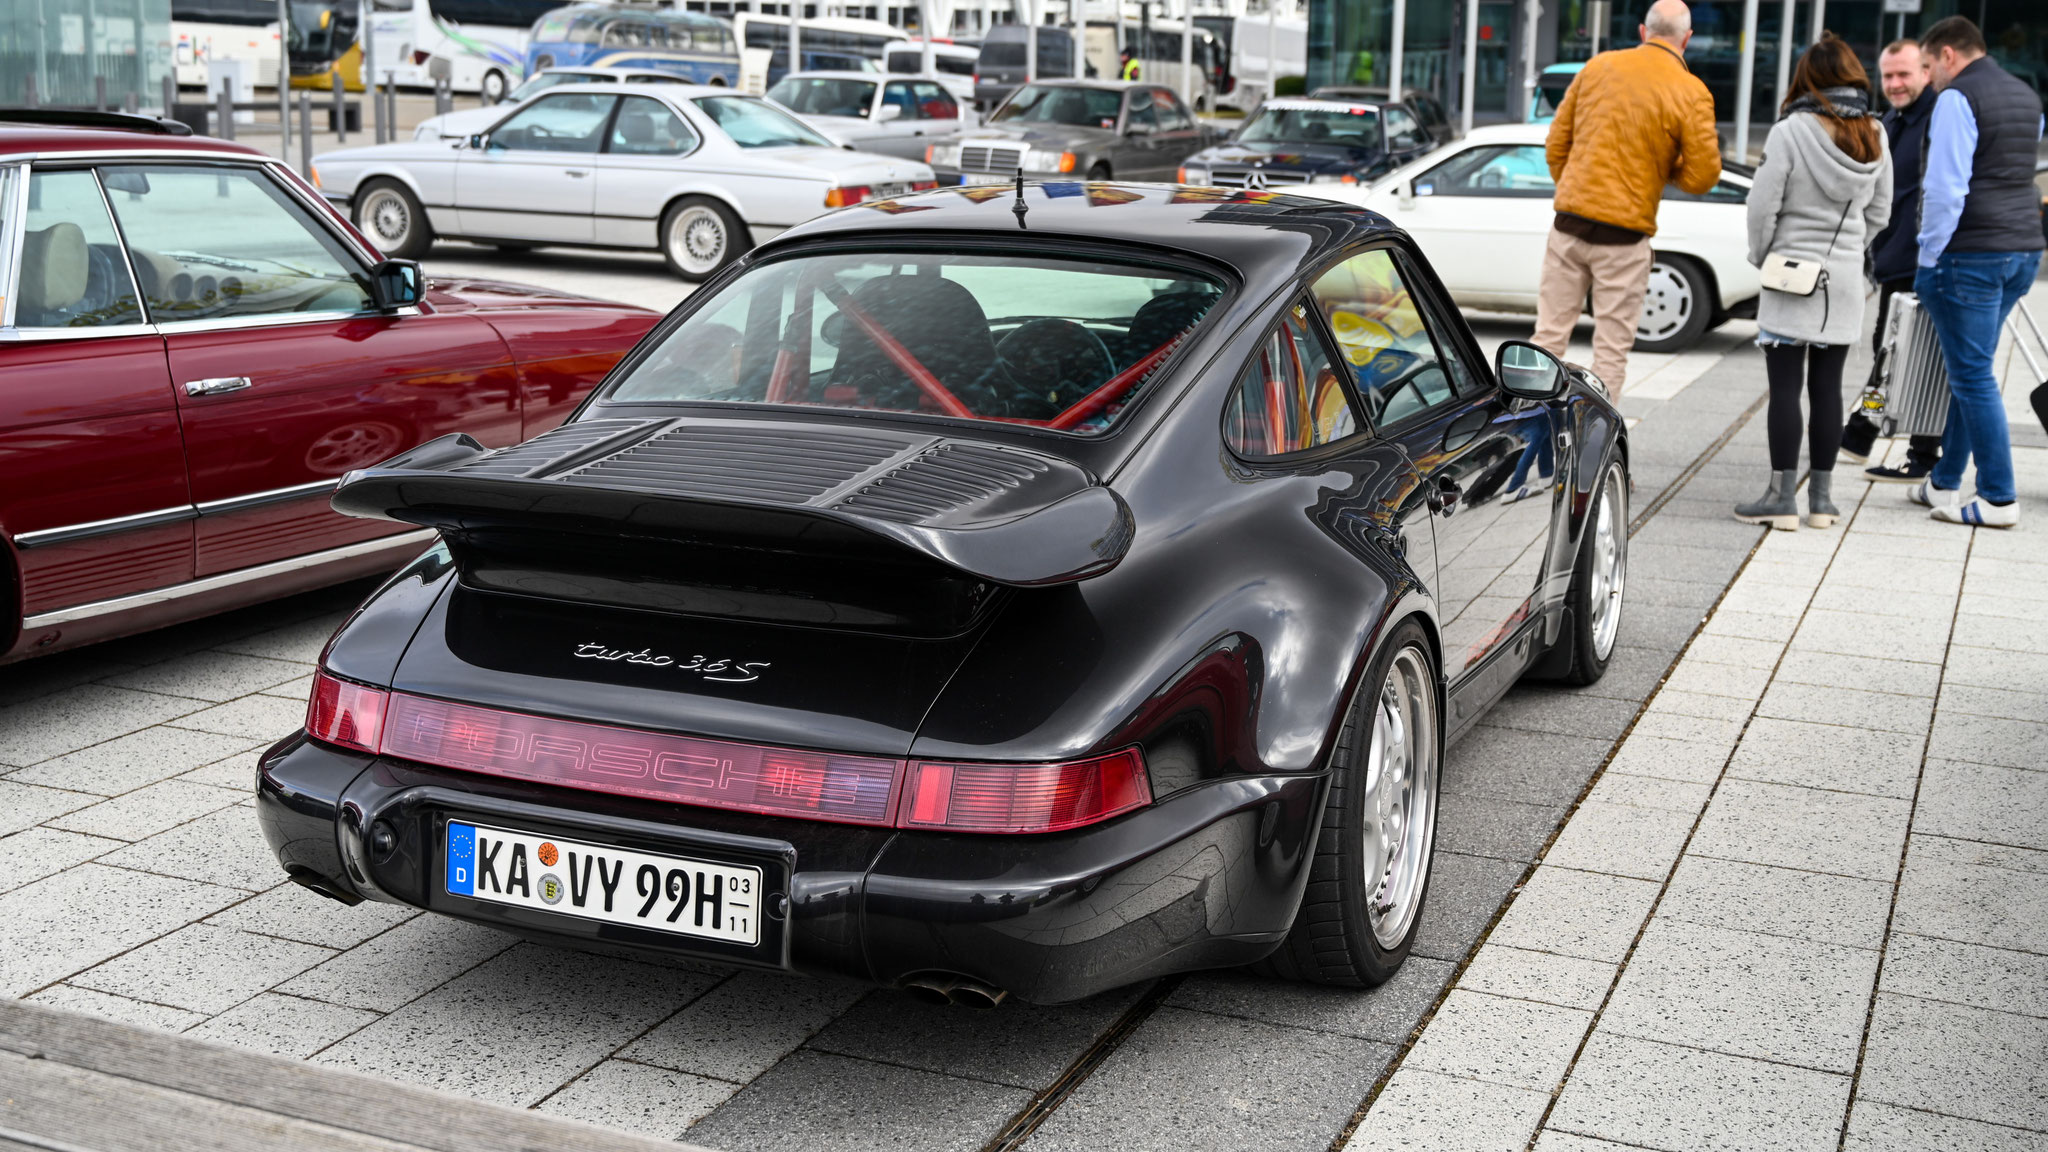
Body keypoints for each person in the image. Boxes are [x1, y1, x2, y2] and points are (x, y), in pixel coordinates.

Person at [1733, 36, 1890, 531]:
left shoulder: (1790, 131)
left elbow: (1762, 207)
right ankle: (1821, 501)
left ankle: (1782, 499)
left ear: (1808, 78)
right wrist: (1849, 251)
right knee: (1828, 388)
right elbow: (1881, 212)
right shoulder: (1876, 136)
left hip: (1790, 277)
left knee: (1784, 388)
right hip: (1842, 280)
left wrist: (1763, 256)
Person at [1535, 0, 1720, 394]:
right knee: (1610, 352)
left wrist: (1573, 188)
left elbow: (1556, 146)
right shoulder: (1691, 91)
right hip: (1625, 238)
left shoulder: (1598, 67)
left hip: (1568, 226)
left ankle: (1525, 430)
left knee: (1548, 340)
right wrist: (1664, 169)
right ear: (1686, 39)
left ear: (1643, 32)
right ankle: (1600, 449)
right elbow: (1704, 176)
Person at [1909, 16, 2045, 529]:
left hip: (1970, 255)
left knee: (1971, 376)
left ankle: (1998, 498)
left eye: (1927, 65)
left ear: (1948, 55)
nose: (1928, 78)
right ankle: (1944, 480)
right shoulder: (2025, 95)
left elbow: (1945, 189)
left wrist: (1929, 256)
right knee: (1974, 372)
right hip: (2023, 251)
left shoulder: (1956, 99)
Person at [1839, 39, 1942, 483]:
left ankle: (1908, 449)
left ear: (1927, 72)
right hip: (1893, 260)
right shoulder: (1890, 120)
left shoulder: (1937, 120)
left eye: (1904, 74)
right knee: (1891, 353)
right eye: (1888, 76)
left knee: (1913, 358)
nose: (1894, 84)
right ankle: (1860, 435)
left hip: (1920, 261)